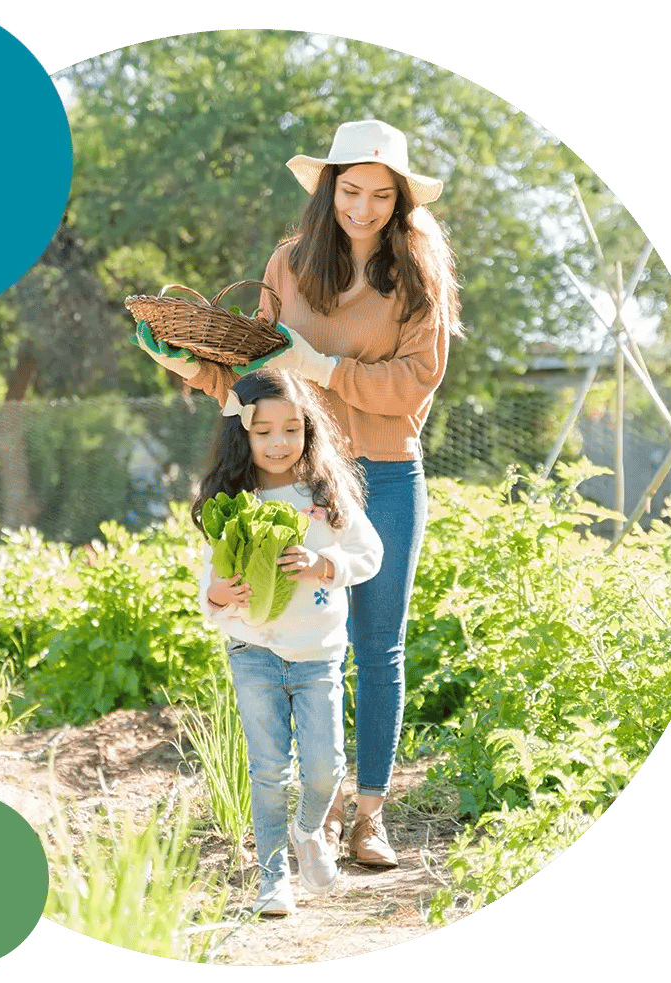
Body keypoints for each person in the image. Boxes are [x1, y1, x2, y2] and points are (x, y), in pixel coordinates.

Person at [135, 119, 461, 869]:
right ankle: (314, 814)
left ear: (401, 201)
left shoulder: (418, 279)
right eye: (351, 191)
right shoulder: (288, 264)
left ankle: (370, 816)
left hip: (383, 469)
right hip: (297, 474)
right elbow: (259, 377)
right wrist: (190, 366)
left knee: (378, 646)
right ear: (328, 189)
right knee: (308, 640)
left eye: (382, 195)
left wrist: (323, 367)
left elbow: (414, 384)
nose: (364, 208)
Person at [191, 369, 383, 916]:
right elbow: (208, 578)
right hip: (252, 652)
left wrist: (325, 564)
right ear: (243, 434)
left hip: (319, 653)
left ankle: (307, 830)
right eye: (264, 431)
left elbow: (369, 555)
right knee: (269, 771)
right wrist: (218, 594)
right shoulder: (231, 500)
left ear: (309, 431)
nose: (279, 442)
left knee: (325, 770)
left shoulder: (326, 494)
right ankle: (273, 878)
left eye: (292, 429)